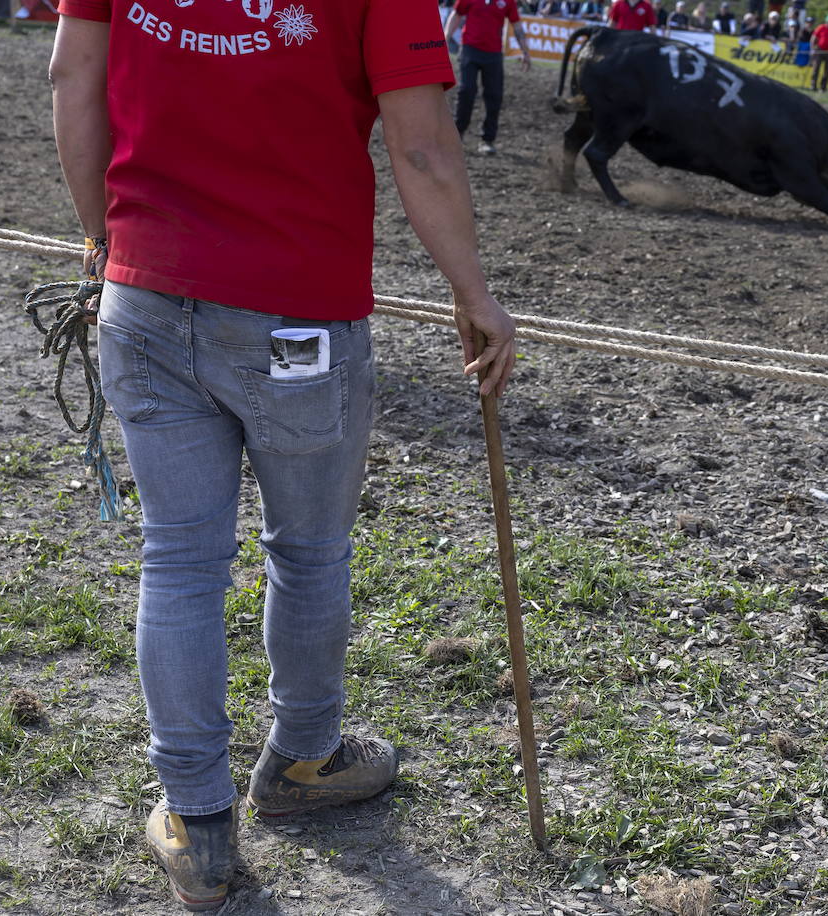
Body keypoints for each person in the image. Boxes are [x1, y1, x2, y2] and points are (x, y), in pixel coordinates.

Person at [48, 0, 517, 911]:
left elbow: (73, 78)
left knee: (179, 559)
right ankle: (303, 759)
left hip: (145, 290)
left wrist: (106, 241)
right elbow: (420, 147)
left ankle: (198, 821)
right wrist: (474, 292)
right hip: (299, 308)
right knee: (308, 551)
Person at [445, 0, 532, 156]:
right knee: (466, 91)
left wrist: (525, 52)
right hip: (470, 50)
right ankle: (458, 134)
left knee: (494, 96)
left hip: (493, 54)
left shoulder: (507, 2)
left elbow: (516, 25)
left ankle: (487, 140)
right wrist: (445, 39)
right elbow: (456, 15)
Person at [811, 14, 828, 87]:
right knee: (816, 68)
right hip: (819, 50)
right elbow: (813, 38)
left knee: (827, 70)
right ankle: (813, 85)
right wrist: (813, 48)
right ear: (826, 21)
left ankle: (823, 87)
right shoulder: (821, 27)